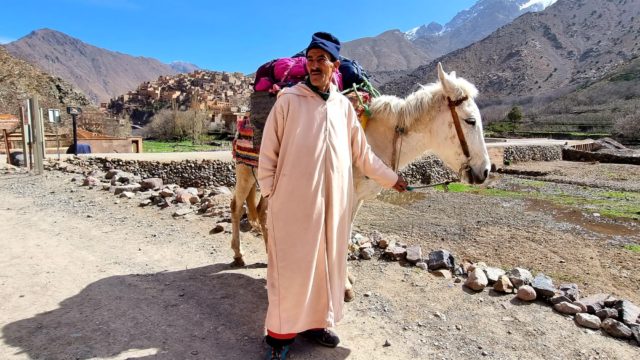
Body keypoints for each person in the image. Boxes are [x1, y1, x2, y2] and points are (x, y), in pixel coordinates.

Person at [258, 31, 408, 360]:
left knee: (327, 264)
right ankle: (281, 336)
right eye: (310, 60)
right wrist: (273, 193)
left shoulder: (343, 108)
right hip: (293, 204)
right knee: (292, 267)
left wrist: (392, 178)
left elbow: (363, 155)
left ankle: (315, 324)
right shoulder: (288, 101)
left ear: (334, 65)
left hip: (335, 207)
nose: (314, 66)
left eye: (320, 60)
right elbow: (268, 152)